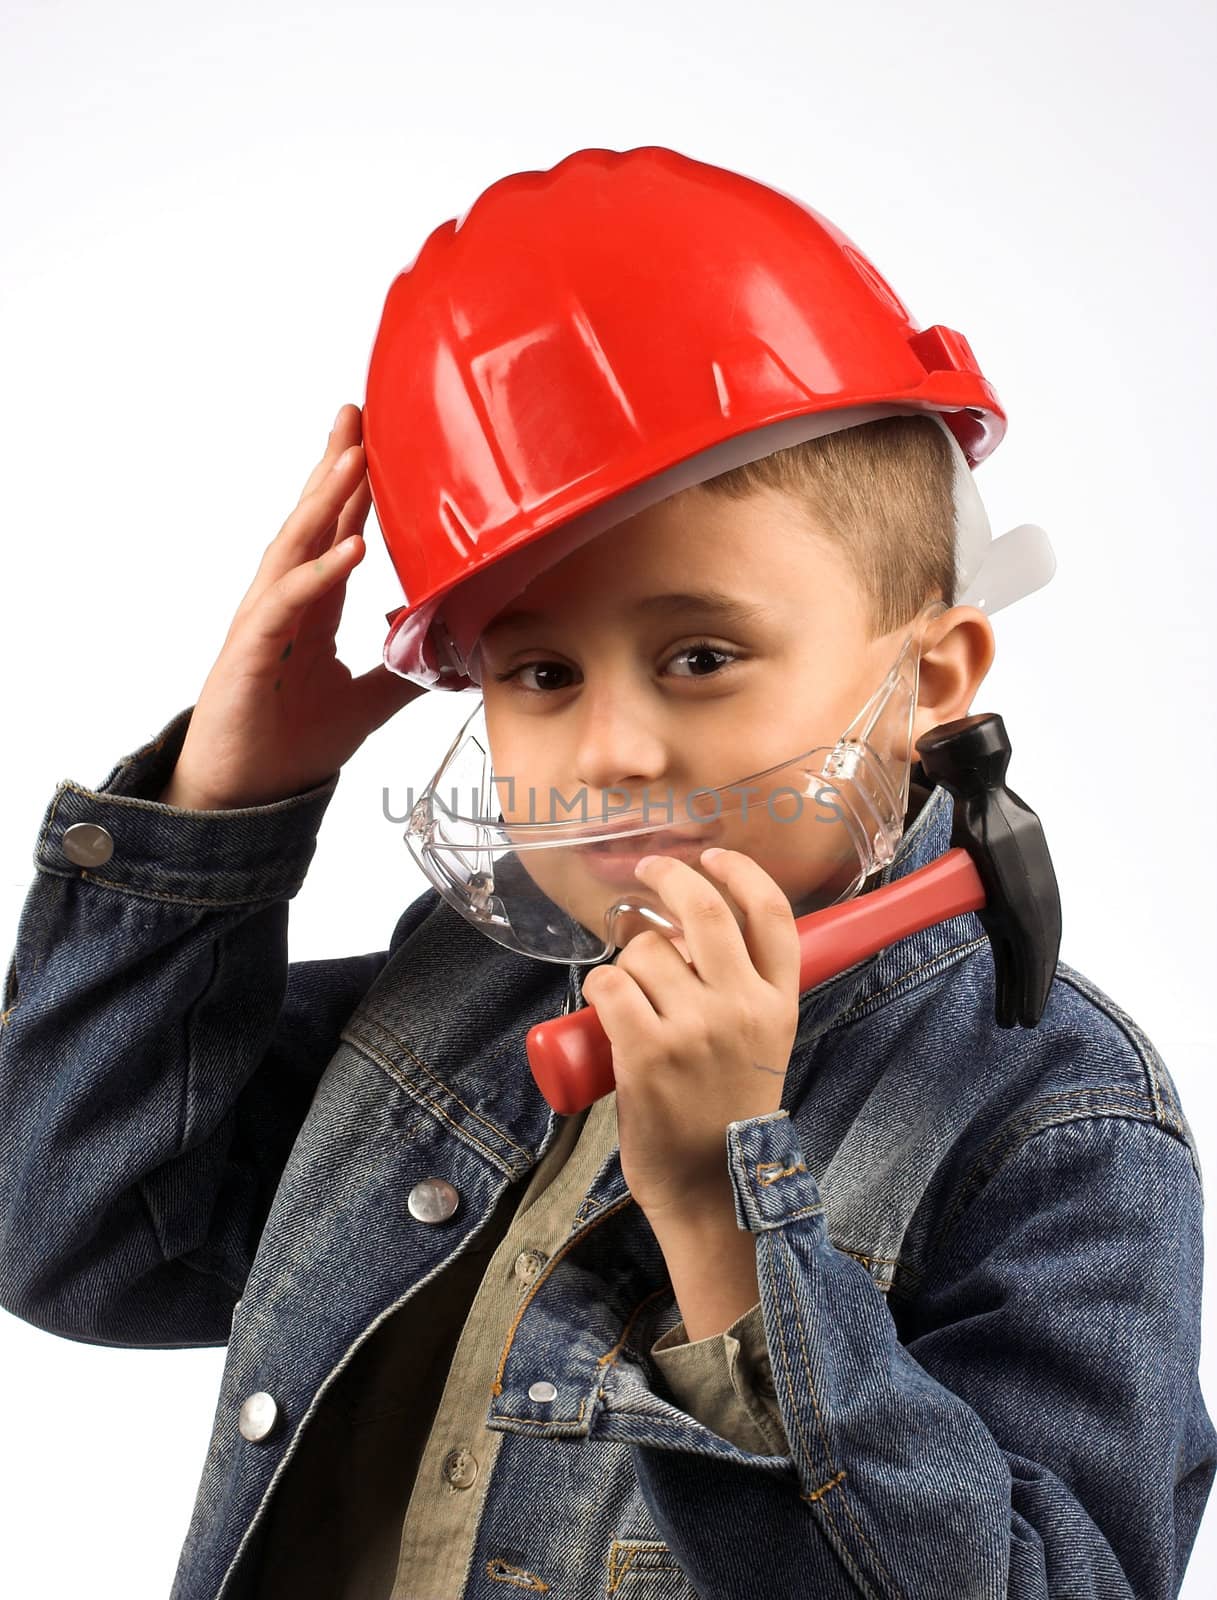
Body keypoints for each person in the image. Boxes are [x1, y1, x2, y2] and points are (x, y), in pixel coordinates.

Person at [0, 145, 1212, 1600]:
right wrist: (223, 800)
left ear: (932, 683)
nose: (615, 751)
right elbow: (76, 1234)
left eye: (701, 655)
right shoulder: (462, 988)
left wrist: (722, 1211)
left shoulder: (1053, 1123)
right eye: (540, 670)